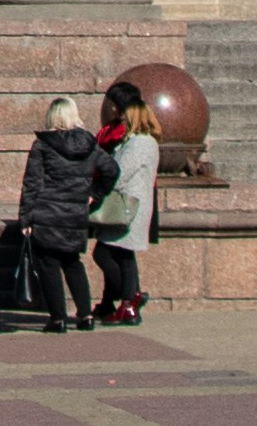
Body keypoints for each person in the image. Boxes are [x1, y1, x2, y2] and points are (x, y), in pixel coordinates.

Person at [12, 94, 108, 329]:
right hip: (76, 213)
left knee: (49, 264)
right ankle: (86, 315)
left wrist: (25, 218)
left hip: (47, 212)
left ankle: (58, 318)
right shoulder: (89, 144)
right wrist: (94, 194)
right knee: (73, 262)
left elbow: (32, 184)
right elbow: (112, 169)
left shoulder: (43, 145)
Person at [95, 88, 159, 326]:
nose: (118, 117)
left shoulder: (139, 143)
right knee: (124, 256)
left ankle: (131, 298)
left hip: (128, 206)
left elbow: (119, 175)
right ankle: (128, 305)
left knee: (103, 253)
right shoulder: (140, 141)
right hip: (132, 205)